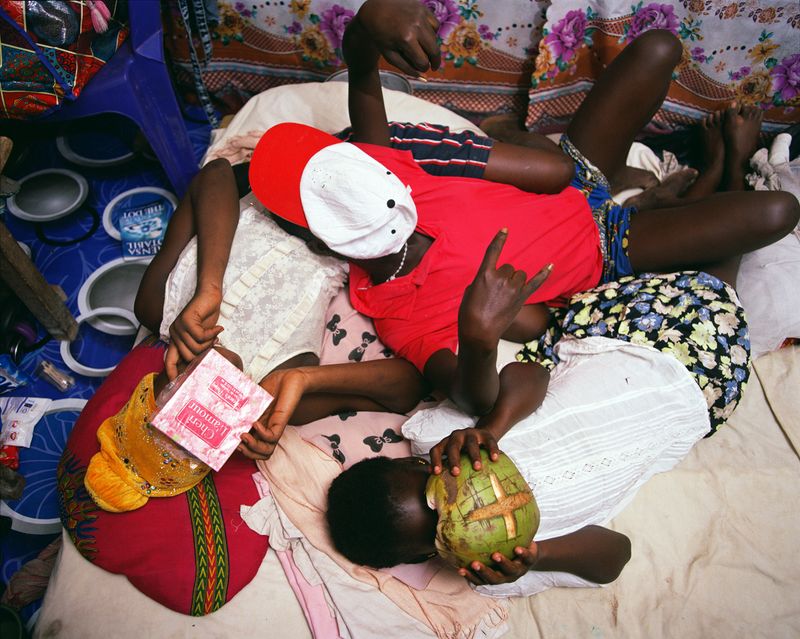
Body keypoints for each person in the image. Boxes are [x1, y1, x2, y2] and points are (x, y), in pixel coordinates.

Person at [247, 0, 799, 451]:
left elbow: (364, 80)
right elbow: (471, 398)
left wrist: (371, 19)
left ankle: (663, 189)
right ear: (322, 238)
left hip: (578, 177)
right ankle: (717, 170)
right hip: (611, 247)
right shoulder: (397, 310)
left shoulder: (382, 167)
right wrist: (479, 338)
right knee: (777, 212)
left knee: (660, 47)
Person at [325, 266, 749, 591]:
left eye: (437, 488)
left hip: (624, 337)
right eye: (443, 525)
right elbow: (616, 555)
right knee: (737, 298)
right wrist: (535, 556)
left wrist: (492, 428)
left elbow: (532, 374)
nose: (463, 502)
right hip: (700, 396)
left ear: (420, 463)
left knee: (716, 278)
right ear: (429, 554)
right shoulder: (498, 567)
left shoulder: (448, 441)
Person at [84, 159, 429, 511]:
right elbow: (408, 389)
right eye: (205, 431)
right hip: (367, 217)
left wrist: (209, 286)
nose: (205, 403)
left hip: (288, 179)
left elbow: (216, 173)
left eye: (178, 406)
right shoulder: (275, 393)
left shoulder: (158, 306)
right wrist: (305, 378)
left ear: (158, 383)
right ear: (228, 441)